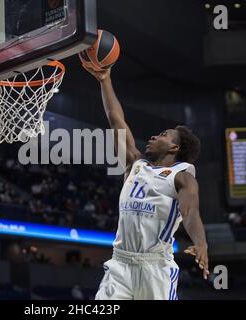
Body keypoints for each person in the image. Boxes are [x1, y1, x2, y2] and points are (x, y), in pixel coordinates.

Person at [83, 66, 209, 300]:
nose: (154, 136)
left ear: (174, 148)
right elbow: (116, 120)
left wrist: (201, 243)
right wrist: (105, 80)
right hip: (120, 263)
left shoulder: (182, 176)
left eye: (163, 135)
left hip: (155, 269)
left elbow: (190, 211)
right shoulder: (134, 163)